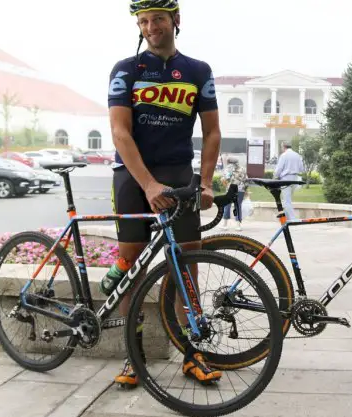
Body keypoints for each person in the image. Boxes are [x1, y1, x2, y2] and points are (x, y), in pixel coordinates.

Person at [105, 0, 222, 389]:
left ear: (175, 20)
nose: (151, 26)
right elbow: (120, 133)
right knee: (131, 268)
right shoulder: (125, 70)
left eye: (157, 18)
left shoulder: (197, 71)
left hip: (177, 173)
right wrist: (148, 185)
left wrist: (205, 182)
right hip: (132, 178)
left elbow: (212, 132)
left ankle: (193, 353)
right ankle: (132, 355)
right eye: (144, 21)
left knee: (186, 266)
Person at [273, 142, 304, 220]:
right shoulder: (297, 155)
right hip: (295, 178)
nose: (281, 149)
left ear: (284, 147)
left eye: (281, 147)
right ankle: (286, 217)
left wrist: (275, 177)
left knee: (286, 201)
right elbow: (301, 169)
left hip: (286, 179)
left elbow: (279, 169)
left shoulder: (284, 155)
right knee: (288, 199)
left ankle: (292, 219)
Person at [221, 156, 247, 230]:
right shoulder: (243, 169)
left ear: (229, 162)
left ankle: (225, 225)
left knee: (227, 206)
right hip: (240, 190)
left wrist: (223, 179)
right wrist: (245, 190)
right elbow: (246, 180)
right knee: (238, 206)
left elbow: (225, 179)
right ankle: (238, 225)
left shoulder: (228, 169)